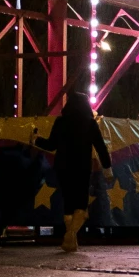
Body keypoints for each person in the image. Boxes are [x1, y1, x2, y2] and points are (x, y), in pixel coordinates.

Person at [44, 88, 112, 253]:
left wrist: (35, 139)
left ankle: (71, 239)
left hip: (62, 166)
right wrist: (107, 166)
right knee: (80, 202)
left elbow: (51, 145)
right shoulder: (89, 122)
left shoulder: (60, 122)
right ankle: (71, 233)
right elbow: (100, 146)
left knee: (68, 200)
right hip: (81, 167)